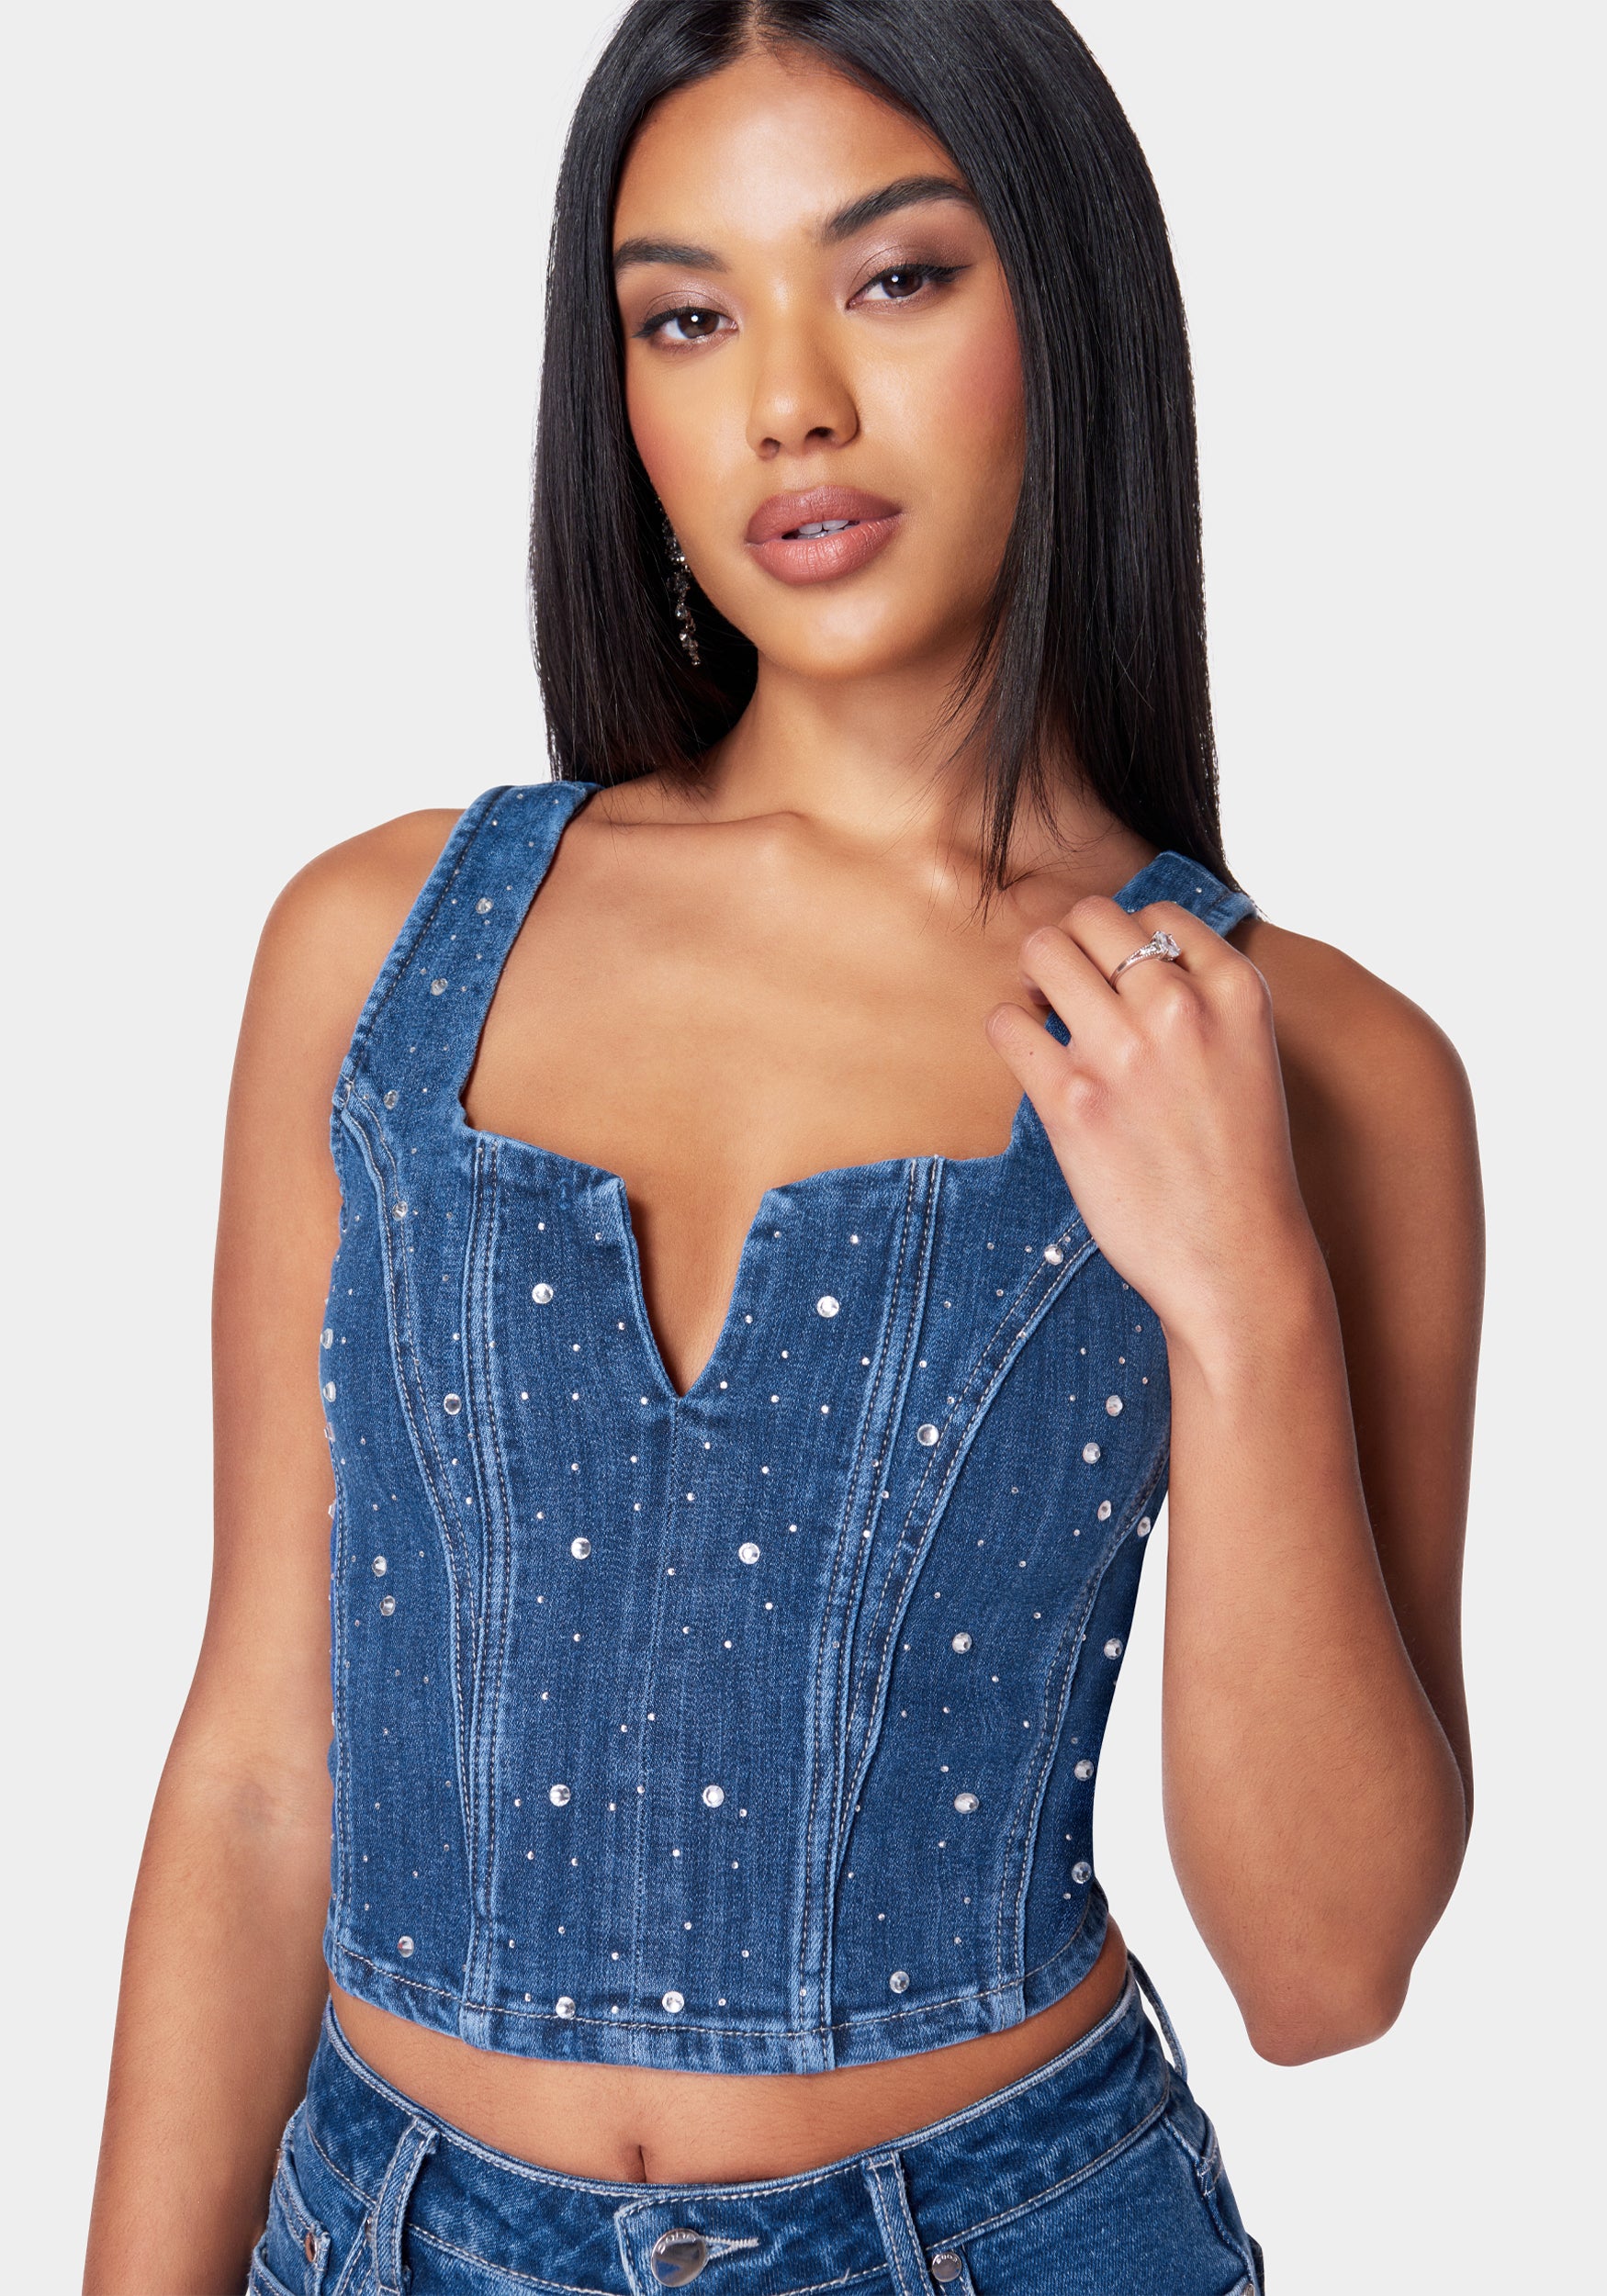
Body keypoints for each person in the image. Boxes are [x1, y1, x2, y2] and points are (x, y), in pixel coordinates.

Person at [84, 3, 1482, 2290]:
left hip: (1010, 2232)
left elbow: (1324, 1972)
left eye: (895, 276)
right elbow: (254, 1767)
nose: (788, 401)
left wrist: (1243, 1297)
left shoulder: (1308, 1057)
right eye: (686, 316)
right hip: (383, 2233)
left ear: (1066, 306)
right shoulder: (379, 944)